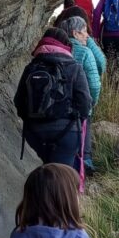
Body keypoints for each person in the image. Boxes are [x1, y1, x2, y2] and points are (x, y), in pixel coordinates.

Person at [13, 27, 91, 170]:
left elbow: (18, 101)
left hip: (35, 132)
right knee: (61, 174)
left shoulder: (31, 67)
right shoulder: (75, 67)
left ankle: (44, 188)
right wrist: (75, 119)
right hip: (67, 132)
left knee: (49, 167)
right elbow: (85, 103)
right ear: (66, 45)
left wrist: (33, 121)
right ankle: (59, 190)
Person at [58, 16, 105, 174]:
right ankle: (85, 163)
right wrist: (92, 102)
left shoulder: (59, 49)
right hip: (80, 103)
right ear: (75, 33)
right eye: (84, 31)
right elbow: (94, 83)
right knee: (85, 127)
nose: (87, 35)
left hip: (59, 104)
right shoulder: (85, 52)